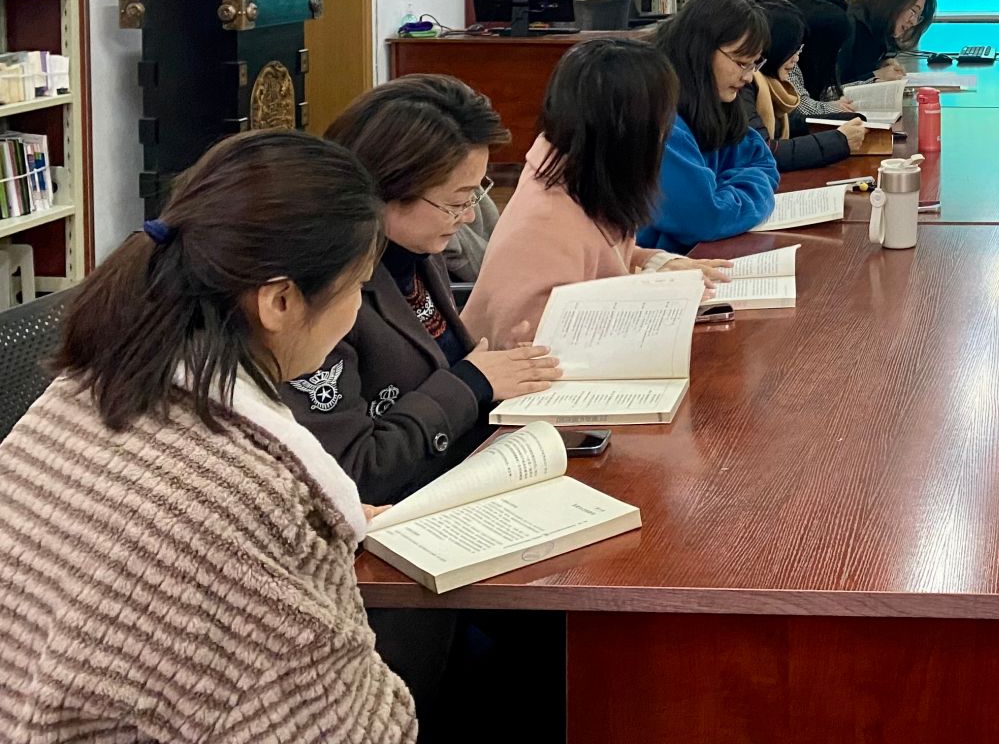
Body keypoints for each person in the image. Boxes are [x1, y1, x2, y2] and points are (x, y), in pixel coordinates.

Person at [0, 131, 416, 742]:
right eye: (357, 286)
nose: (358, 307)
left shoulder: (78, 394)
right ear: (279, 301)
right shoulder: (237, 495)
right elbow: (359, 731)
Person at [293, 75, 562, 502]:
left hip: (474, 469)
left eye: (474, 196)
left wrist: (496, 363)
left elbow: (436, 362)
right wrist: (473, 382)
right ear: (385, 190)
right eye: (456, 202)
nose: (469, 218)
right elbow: (354, 473)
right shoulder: (323, 295)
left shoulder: (414, 249)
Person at [465, 36, 728, 347]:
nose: (665, 134)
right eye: (661, 120)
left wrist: (657, 264)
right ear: (629, 130)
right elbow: (535, 343)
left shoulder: (580, 175)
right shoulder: (547, 219)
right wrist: (658, 299)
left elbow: (599, 259)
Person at [640, 0, 781, 254]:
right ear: (701, 50)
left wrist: (724, 193)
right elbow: (705, 219)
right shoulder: (657, 116)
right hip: (650, 268)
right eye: (741, 63)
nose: (748, 77)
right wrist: (750, 189)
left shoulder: (714, 100)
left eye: (754, 64)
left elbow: (762, 160)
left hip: (693, 256)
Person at [752, 0, 866, 170]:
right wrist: (839, 140)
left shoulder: (775, 80)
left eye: (800, 49)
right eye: (794, 49)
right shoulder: (751, 84)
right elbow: (764, 153)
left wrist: (845, 119)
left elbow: (795, 121)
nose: (797, 58)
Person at [840, 0, 935, 84]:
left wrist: (879, 65)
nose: (914, 22)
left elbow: (855, 72)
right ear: (894, 1)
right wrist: (875, 76)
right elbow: (829, 89)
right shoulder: (849, 25)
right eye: (913, 11)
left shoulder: (876, 30)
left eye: (918, 17)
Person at [788, 0, 854, 110]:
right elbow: (800, 106)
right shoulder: (789, 62)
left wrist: (872, 83)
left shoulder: (811, 61)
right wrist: (834, 107)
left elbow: (830, 90)